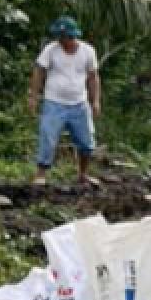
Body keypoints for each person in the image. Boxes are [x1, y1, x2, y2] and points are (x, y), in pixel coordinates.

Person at [29, 17, 101, 187]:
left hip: (79, 103)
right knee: (48, 135)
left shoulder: (88, 51)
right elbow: (39, 72)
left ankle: (82, 174)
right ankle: (41, 174)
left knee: (86, 142)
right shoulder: (50, 50)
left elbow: (93, 77)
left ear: (72, 37)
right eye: (59, 37)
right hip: (54, 102)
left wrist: (95, 100)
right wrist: (33, 96)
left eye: (64, 37)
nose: (61, 41)